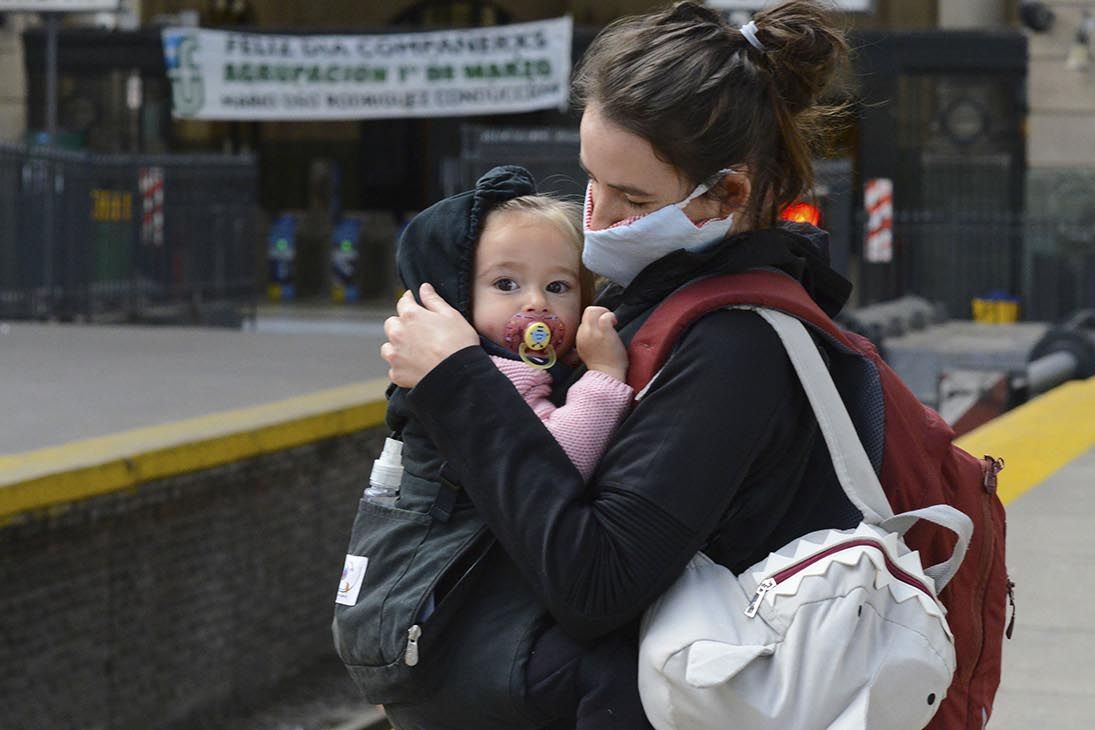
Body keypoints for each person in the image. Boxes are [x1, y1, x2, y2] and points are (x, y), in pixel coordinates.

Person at [382, 0, 866, 726]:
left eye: (633, 196)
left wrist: (458, 382)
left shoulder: (735, 348)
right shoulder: (656, 297)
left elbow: (597, 584)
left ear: (728, 194)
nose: (597, 218)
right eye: (591, 180)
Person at [371, 165, 650, 729]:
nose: (536, 306)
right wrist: (606, 377)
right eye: (506, 285)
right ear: (454, 299)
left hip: (441, 617)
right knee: (612, 677)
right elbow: (555, 463)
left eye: (558, 286)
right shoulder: (494, 375)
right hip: (461, 620)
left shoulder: (515, 367)